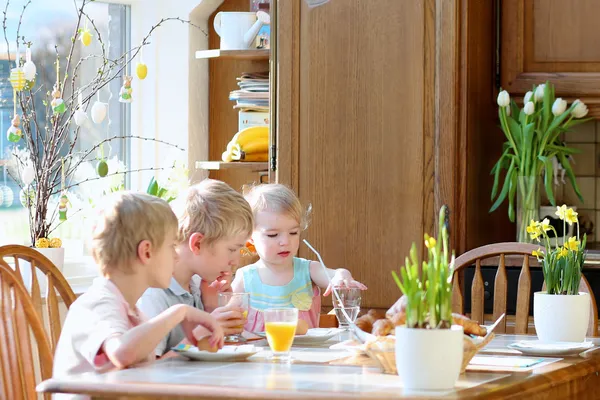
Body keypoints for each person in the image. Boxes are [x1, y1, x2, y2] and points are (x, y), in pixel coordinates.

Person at [53, 192, 223, 399]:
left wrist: (190, 345)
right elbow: (121, 353)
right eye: (171, 247)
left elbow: (143, 374)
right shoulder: (98, 303)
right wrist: (180, 312)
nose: (177, 256)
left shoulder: (132, 311)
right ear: (147, 252)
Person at [137, 179, 254, 356]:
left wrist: (211, 308)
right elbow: (149, 370)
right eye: (231, 249)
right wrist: (201, 332)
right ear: (198, 243)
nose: (236, 261)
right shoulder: (153, 294)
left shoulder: (198, 286)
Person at [232, 183, 367, 332]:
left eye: (293, 232)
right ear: (250, 237)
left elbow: (335, 275)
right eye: (273, 235)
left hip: (306, 354)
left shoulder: (308, 270)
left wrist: (342, 275)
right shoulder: (245, 278)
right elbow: (229, 319)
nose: (285, 242)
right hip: (258, 354)